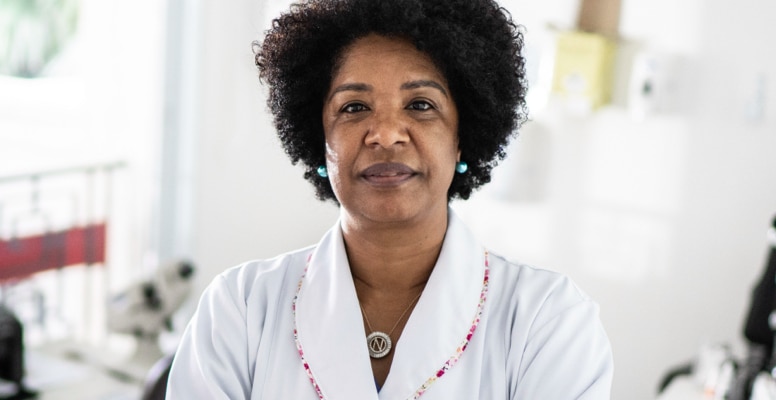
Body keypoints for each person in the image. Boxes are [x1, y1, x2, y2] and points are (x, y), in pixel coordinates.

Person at [166, 0, 614, 398]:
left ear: (463, 138)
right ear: (319, 138)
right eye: (354, 107)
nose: (385, 134)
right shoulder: (240, 308)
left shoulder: (547, 320)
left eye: (420, 105)